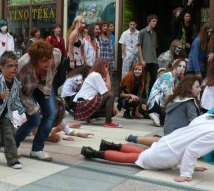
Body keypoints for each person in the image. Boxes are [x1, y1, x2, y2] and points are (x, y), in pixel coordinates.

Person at [81, 110, 214, 183]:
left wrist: (191, 166)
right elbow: (192, 150)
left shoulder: (209, 117)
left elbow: (190, 140)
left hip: (168, 142)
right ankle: (93, 153)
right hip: (167, 153)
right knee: (134, 158)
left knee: (142, 153)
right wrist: (186, 173)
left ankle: (110, 145)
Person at [14, 40, 61, 161]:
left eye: (49, 58)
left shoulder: (56, 56)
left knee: (51, 113)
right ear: (34, 62)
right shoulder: (21, 66)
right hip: (26, 90)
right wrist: (31, 107)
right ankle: (12, 145)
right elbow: (16, 89)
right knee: (34, 119)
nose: (49, 63)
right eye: (44, 61)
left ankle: (37, 149)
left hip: (44, 86)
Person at [73, 58, 121, 127]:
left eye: (108, 66)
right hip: (82, 103)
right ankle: (108, 122)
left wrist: (112, 106)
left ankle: (88, 117)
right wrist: (107, 74)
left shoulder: (94, 75)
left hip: (80, 104)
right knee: (110, 95)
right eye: (106, 66)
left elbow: (102, 93)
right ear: (100, 66)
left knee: (111, 112)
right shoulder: (95, 75)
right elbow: (108, 90)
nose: (107, 68)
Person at [147, 58, 186, 126]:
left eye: (184, 67)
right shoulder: (168, 76)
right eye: (179, 66)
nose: (182, 68)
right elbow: (167, 95)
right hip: (157, 103)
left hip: (163, 103)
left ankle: (158, 115)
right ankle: (155, 113)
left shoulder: (176, 80)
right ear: (174, 66)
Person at [138, 14, 159, 97]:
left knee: (154, 79)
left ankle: (151, 96)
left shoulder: (155, 33)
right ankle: (143, 98)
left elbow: (155, 47)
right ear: (149, 22)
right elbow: (139, 46)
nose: (155, 23)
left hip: (153, 60)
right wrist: (141, 59)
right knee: (143, 80)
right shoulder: (142, 32)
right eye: (153, 21)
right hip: (145, 60)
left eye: (156, 21)